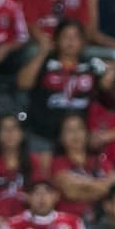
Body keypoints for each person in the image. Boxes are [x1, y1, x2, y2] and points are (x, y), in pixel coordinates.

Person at [18, 19, 102, 156]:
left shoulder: (91, 65)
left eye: (75, 37)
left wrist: (113, 72)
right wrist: (42, 53)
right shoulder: (45, 62)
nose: (70, 41)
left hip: (80, 137)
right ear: (56, 40)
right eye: (65, 36)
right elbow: (23, 83)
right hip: (44, 134)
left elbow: (109, 85)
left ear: (83, 42)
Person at [52, 112, 115, 222]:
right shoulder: (58, 163)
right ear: (61, 137)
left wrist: (82, 185)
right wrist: (103, 186)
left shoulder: (100, 160)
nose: (76, 134)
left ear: (87, 133)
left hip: (103, 220)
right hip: (71, 220)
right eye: (69, 130)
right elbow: (70, 192)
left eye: (79, 129)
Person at [0, 178, 92, 229]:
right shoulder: (12, 225)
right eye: (37, 193)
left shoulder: (74, 222)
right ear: (28, 197)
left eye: (47, 193)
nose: (42, 198)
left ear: (55, 197)